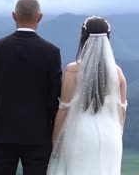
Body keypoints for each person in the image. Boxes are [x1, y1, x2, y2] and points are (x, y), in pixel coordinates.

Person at [0, 0, 62, 175]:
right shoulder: (51, 52)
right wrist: (48, 131)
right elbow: (54, 98)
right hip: (38, 135)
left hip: (1, 132)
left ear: (13, 16)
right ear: (40, 17)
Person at [47, 16, 128, 175]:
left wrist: (54, 141)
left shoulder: (73, 70)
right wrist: (117, 135)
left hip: (80, 134)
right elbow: (122, 112)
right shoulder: (118, 73)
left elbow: (63, 109)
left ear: (83, 38)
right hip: (111, 136)